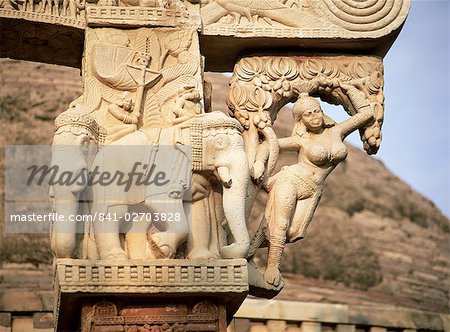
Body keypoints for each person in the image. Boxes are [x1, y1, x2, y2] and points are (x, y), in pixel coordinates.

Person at [251, 83, 375, 287]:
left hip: (313, 190)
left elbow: (366, 113)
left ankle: (250, 249)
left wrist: (349, 88)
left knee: (292, 232)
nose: (315, 116)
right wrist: (258, 165)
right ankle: (272, 266)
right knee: (280, 224)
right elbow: (268, 145)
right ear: (300, 120)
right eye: (308, 114)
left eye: (317, 111)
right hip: (291, 179)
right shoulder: (300, 140)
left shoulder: (337, 131)